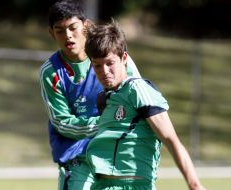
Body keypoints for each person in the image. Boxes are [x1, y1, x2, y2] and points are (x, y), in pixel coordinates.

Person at [84, 21, 206, 190]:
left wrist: (194, 184)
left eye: (110, 63)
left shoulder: (138, 89)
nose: (104, 71)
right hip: (101, 185)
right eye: (97, 65)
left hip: (134, 185)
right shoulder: (104, 100)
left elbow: (171, 140)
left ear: (124, 58)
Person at [39, 1, 141, 189]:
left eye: (73, 27)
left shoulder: (113, 57)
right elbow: (62, 122)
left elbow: (138, 96)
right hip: (77, 155)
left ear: (86, 26)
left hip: (116, 152)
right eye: (60, 30)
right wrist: (104, 123)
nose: (68, 35)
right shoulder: (51, 72)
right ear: (51, 33)